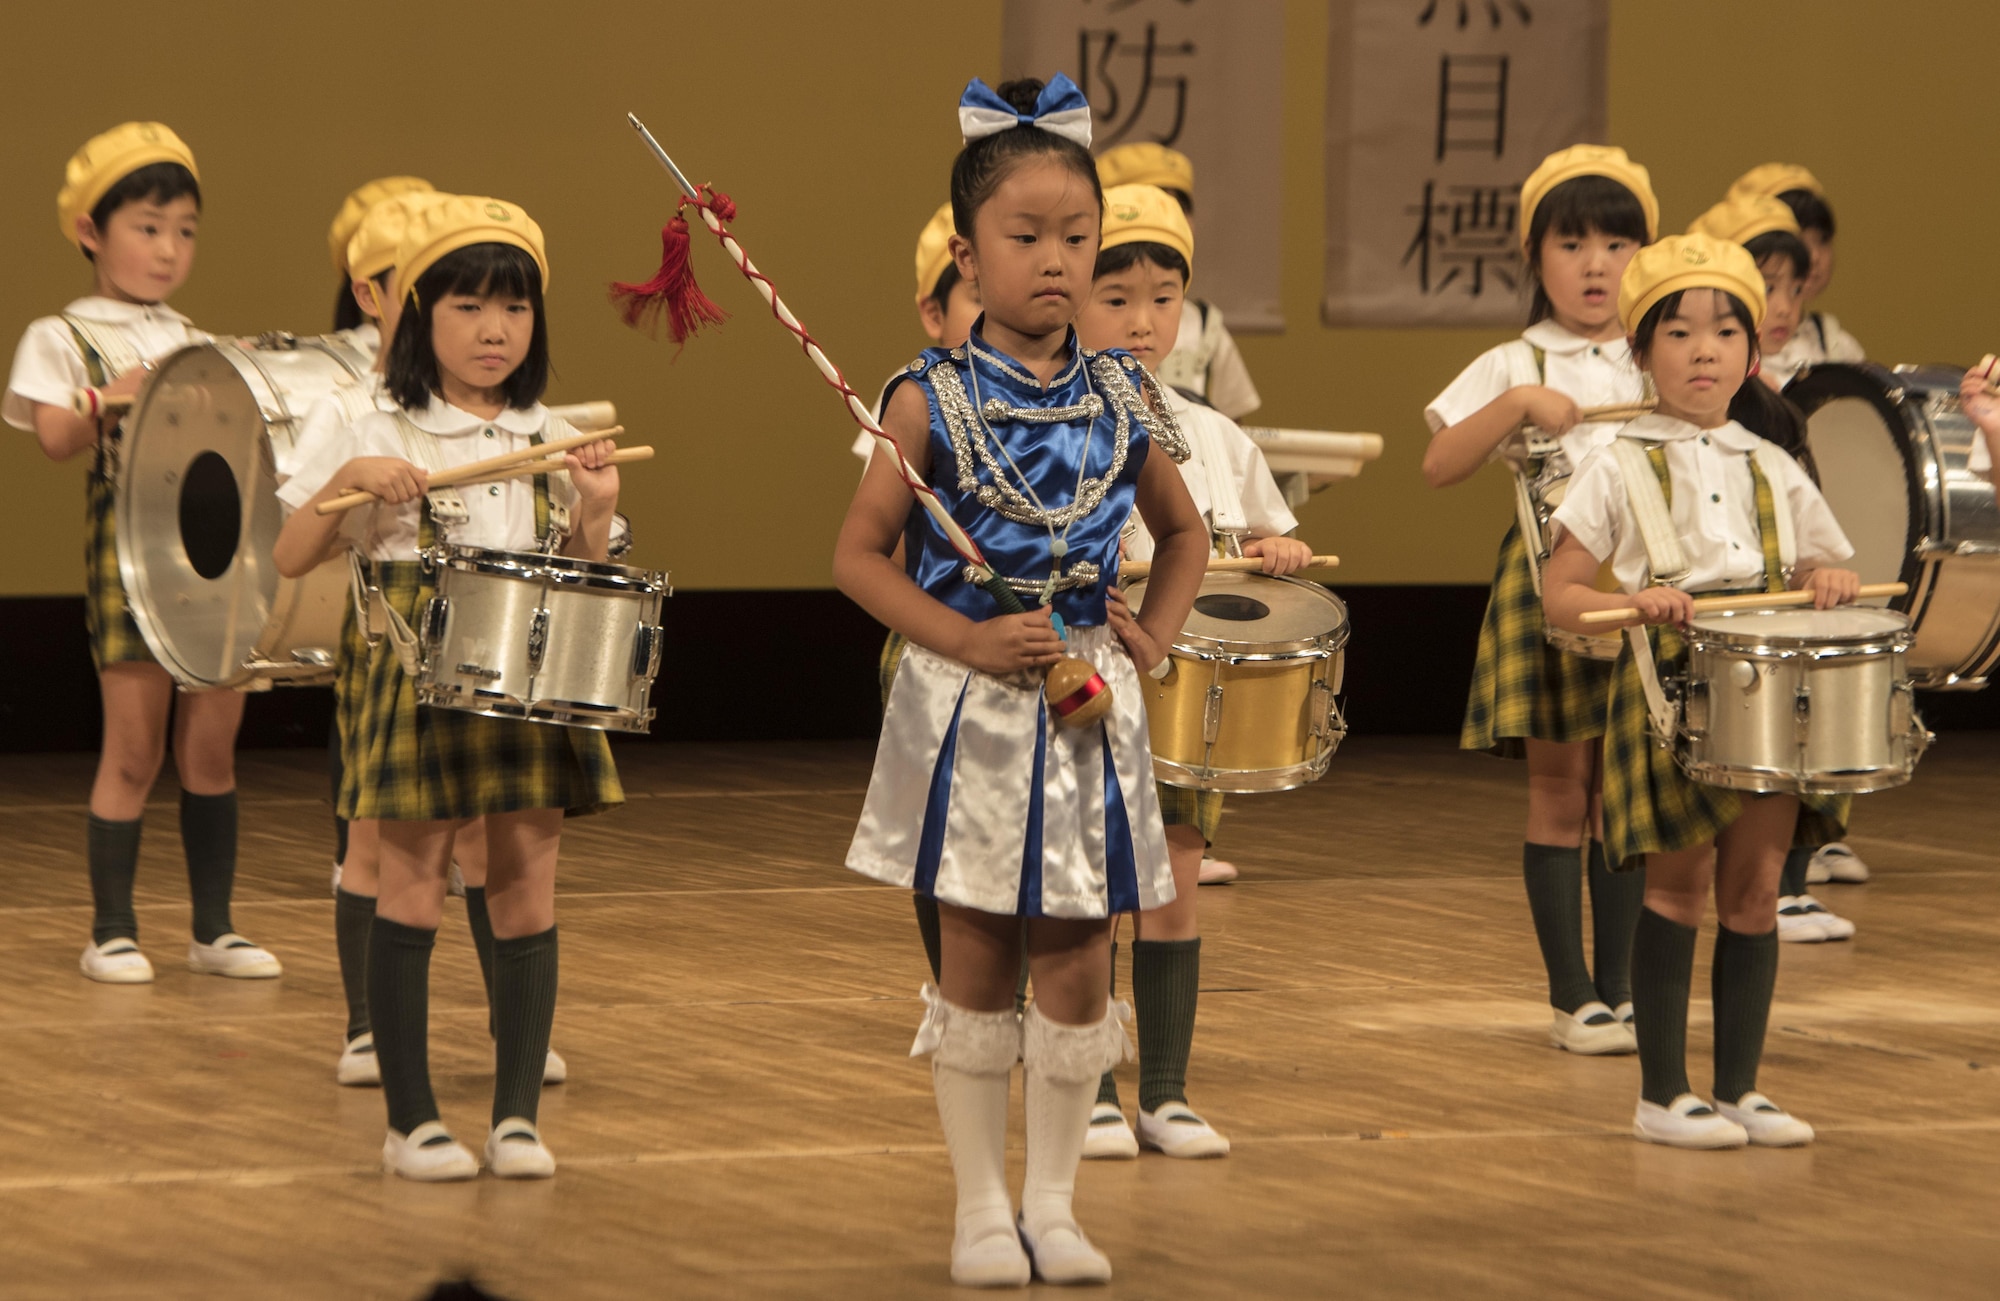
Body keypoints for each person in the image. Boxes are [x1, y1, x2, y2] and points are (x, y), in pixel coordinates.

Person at [834, 75, 1207, 1286]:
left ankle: (1054, 1200)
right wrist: (965, 636)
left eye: (1076, 239)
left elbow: (1185, 532)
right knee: (977, 955)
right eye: (1025, 237)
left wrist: (1149, 632)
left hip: (1087, 709)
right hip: (973, 708)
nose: (1055, 262)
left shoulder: (1121, 394)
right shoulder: (923, 394)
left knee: (1080, 958)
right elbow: (856, 556)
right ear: (966, 250)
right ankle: (978, 1207)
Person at [275, 196, 622, 1181]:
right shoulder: (361, 415)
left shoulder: (547, 431)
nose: (494, 329)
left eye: (513, 308)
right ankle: (412, 1119)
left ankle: (515, 1116)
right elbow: (291, 551)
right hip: (407, 669)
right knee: (412, 882)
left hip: (525, 673)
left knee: (525, 883)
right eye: (468, 306)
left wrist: (594, 512)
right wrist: (350, 477)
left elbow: (585, 571)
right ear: (418, 314)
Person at [1544, 233, 1859, 1149]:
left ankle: (1742, 1087)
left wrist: (1826, 579)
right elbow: (1561, 593)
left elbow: (1821, 565)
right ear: (1640, 352)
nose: (1705, 350)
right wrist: (1629, 599)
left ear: (1753, 355)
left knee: (1755, 895)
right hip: (1668, 696)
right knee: (1677, 891)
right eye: (1678, 333)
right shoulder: (1616, 461)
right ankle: (1663, 1092)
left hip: (1768, 699)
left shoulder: (1773, 463)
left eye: (1726, 331)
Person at [4, 122, 280, 984]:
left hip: (215, 551)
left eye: (186, 231)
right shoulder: (62, 334)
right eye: (149, 227)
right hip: (131, 555)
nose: (168, 251)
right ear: (91, 231)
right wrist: (108, 394)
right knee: (133, 748)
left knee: (212, 746)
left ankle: (214, 927)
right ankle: (112, 930)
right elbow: (53, 435)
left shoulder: (191, 334)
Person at [1071, 182, 1308, 1161]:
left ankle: (1162, 1091)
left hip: (1181, 689)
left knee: (1171, 883)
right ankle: (1082, 1087)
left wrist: (1274, 550)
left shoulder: (1207, 429)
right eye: (1114, 295)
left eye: (1161, 297)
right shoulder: (1048, 414)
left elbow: (1262, 532)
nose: (1140, 318)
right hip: (1078, 682)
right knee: (1080, 886)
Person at [1421, 146, 1658, 1055]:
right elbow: (1440, 464)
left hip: (1646, 594)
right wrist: (1518, 402)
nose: (1596, 263)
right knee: (1563, 792)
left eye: (1617, 241)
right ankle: (1573, 995)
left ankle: (1625, 986)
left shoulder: (1663, 350)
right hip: (1550, 585)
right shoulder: (1517, 358)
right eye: (1572, 242)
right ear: (1536, 258)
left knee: (1627, 790)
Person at [1687, 194, 1858, 941]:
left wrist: (1822, 574)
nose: (1783, 304)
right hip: (1700, 623)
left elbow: (1815, 537)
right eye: (1765, 287)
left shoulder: (1783, 424)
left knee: (1795, 742)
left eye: (1794, 287)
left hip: (1775, 608)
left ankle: (1785, 885)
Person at [1095, 142, 1260, 420]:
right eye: (1117, 301)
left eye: (1178, 206)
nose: (1142, 325)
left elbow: (1232, 427)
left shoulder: (1206, 324)